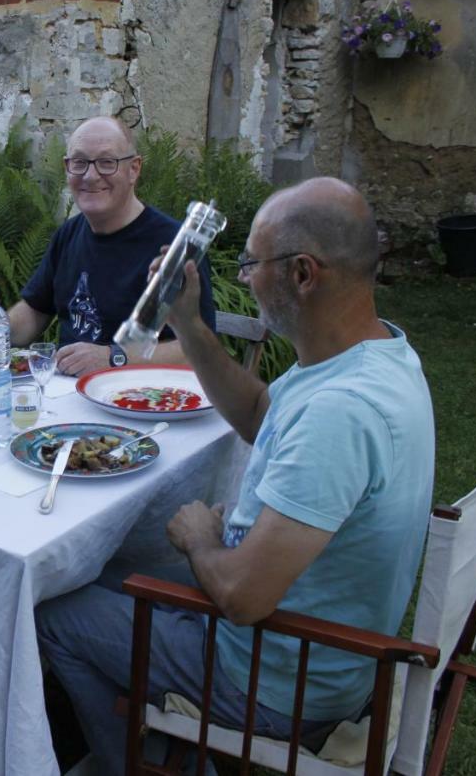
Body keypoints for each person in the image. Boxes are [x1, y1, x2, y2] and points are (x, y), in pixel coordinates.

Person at [36, 178, 435, 773]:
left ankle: (135, 762)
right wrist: (189, 323)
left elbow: (242, 598)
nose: (244, 277)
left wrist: (200, 538)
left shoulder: (341, 411)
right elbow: (256, 416)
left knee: (52, 610)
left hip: (281, 680)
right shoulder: (366, 358)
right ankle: (146, 738)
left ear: (303, 274)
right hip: (308, 637)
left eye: (252, 263)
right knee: (102, 569)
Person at [10, 116, 216, 376]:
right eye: (80, 162)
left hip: (141, 402)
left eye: (107, 163)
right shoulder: (69, 234)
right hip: (65, 397)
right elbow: (33, 312)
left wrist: (113, 358)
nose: (91, 175)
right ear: (67, 167)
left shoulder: (175, 246)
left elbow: (200, 350)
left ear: (134, 169)